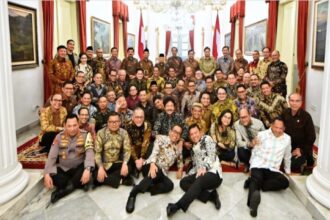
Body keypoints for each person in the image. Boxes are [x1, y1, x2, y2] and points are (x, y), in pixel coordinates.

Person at [166, 124, 222, 217]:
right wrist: (191, 173)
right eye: (191, 134)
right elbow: (196, 166)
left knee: (199, 180)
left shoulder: (207, 139)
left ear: (200, 132)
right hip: (201, 174)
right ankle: (211, 196)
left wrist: (205, 167)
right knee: (183, 183)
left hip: (213, 173)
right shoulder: (193, 149)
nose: (194, 135)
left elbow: (212, 156)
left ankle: (177, 206)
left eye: (196, 132)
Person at [126, 124, 184, 213]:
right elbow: (154, 151)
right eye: (174, 131)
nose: (176, 135)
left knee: (170, 186)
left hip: (161, 173)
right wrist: (153, 164)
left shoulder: (178, 149)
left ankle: (146, 187)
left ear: (180, 136)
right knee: (157, 170)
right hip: (149, 166)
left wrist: (180, 169)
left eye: (178, 133)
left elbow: (180, 161)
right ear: (170, 131)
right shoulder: (161, 138)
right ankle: (134, 193)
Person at [44, 114, 94, 204]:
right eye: (69, 126)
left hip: (79, 168)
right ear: (64, 126)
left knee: (88, 167)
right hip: (64, 169)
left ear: (78, 124)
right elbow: (52, 156)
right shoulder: (58, 137)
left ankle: (63, 191)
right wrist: (47, 174)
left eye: (75, 125)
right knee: (53, 174)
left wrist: (87, 169)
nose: (72, 128)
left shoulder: (86, 135)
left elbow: (90, 152)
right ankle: (77, 184)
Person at [246, 117, 291, 217]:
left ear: (284, 128)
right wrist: (251, 167)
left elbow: (287, 156)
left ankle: (259, 184)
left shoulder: (287, 139)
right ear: (271, 125)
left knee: (285, 182)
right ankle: (252, 205)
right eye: (276, 127)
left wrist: (288, 171)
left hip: (273, 168)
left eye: (281, 128)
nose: (278, 130)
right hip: (259, 164)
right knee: (256, 179)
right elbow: (255, 151)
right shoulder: (262, 135)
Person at [94, 111, 133, 188]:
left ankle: (106, 179)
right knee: (94, 174)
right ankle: (121, 180)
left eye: (116, 121)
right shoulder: (100, 133)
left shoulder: (124, 132)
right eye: (111, 122)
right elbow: (97, 152)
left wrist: (124, 164)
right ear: (107, 122)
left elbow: (127, 150)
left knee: (130, 167)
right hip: (105, 164)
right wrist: (100, 168)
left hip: (117, 162)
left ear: (120, 122)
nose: (114, 124)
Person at [282, 93, 316, 171]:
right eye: (292, 101)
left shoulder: (306, 116)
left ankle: (308, 161)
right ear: (288, 101)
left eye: (297, 101)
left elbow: (312, 137)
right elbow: (278, 126)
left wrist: (301, 150)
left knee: (293, 165)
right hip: (287, 146)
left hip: (301, 148)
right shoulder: (285, 113)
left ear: (301, 102)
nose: (294, 103)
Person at [234, 108, 265, 172]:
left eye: (245, 117)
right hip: (248, 147)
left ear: (250, 115)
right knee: (241, 150)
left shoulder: (259, 123)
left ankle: (256, 165)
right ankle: (248, 164)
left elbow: (266, 138)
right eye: (241, 117)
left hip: (258, 147)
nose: (243, 120)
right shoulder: (237, 124)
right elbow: (238, 141)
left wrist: (257, 143)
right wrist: (249, 144)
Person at [126, 108, 152, 178]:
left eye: (141, 117)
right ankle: (135, 168)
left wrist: (141, 158)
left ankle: (143, 167)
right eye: (137, 117)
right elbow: (129, 144)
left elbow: (146, 142)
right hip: (132, 149)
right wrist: (136, 160)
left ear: (144, 117)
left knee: (151, 146)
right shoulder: (127, 125)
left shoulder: (147, 125)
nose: (139, 119)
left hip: (143, 149)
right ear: (132, 117)